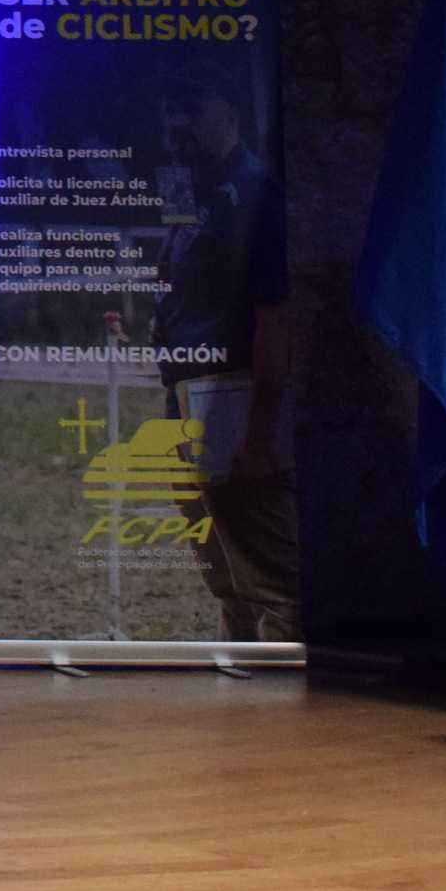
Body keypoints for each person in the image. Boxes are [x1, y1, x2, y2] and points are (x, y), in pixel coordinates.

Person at [154, 80, 298, 642]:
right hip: (182, 389)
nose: (177, 124)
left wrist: (260, 430)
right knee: (209, 541)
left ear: (230, 109)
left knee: (262, 547)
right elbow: (176, 275)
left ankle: (285, 664)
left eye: (190, 104)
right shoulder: (186, 184)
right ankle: (236, 644)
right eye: (170, 110)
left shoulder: (256, 190)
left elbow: (274, 316)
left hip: (233, 393)